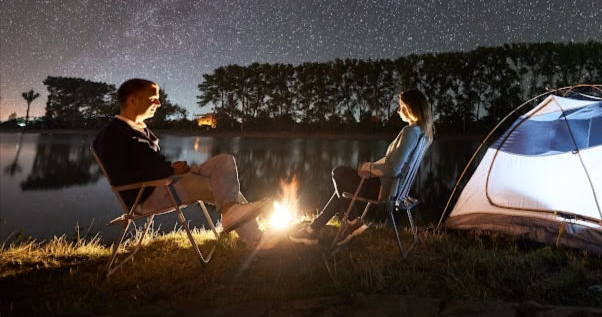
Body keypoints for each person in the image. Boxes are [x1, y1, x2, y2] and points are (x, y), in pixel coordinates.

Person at [93, 78, 269, 249]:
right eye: (153, 98)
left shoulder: (139, 129)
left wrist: (172, 169)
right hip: (146, 196)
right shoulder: (112, 135)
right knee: (223, 186)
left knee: (224, 162)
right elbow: (122, 175)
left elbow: (146, 163)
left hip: (165, 181)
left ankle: (234, 214)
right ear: (132, 100)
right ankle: (253, 237)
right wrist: (170, 169)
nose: (159, 104)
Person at [290, 88, 433, 246]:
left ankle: (352, 222)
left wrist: (370, 169)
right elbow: (393, 162)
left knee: (338, 173)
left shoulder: (410, 132)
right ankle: (313, 229)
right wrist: (370, 167)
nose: (398, 110)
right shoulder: (422, 134)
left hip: (384, 190)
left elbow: (394, 169)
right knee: (342, 192)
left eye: (401, 106)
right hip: (396, 189)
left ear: (410, 107)